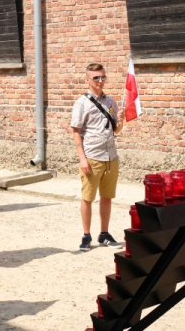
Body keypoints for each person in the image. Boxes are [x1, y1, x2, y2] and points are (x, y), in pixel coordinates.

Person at [70, 63, 125, 251]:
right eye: (96, 78)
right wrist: (82, 158)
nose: (100, 81)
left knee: (107, 196)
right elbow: (76, 132)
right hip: (92, 156)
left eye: (103, 77)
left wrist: (121, 122)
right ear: (87, 80)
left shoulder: (111, 102)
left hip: (111, 156)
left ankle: (104, 233)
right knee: (88, 197)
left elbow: (115, 130)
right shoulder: (82, 103)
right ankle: (86, 235)